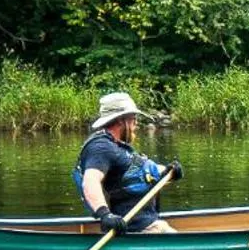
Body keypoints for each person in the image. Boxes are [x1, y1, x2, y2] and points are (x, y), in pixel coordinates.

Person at [75, 92, 182, 235]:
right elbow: (90, 182)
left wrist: (169, 171)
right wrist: (105, 215)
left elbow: (137, 173)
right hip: (137, 230)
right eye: (133, 118)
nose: (136, 123)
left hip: (150, 224)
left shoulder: (118, 147)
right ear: (120, 120)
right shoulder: (101, 147)